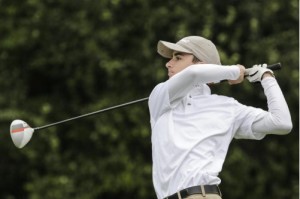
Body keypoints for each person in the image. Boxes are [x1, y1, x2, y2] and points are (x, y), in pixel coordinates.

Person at [148, 36, 293, 199]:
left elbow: (282, 123)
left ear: (202, 64)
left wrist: (267, 77)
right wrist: (234, 71)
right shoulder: (161, 96)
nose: (169, 63)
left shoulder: (228, 107)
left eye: (178, 57)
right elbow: (194, 74)